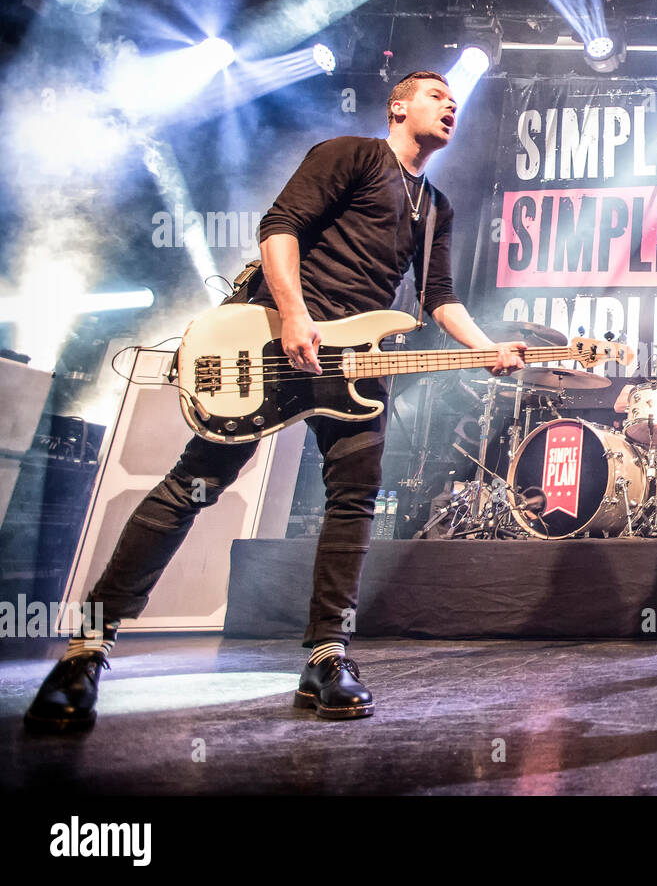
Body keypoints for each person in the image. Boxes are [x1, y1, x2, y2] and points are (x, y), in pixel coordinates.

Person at [25, 71, 526, 730]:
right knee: (192, 484)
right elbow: (280, 226)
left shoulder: (436, 208)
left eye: (454, 99)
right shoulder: (349, 153)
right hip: (278, 342)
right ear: (397, 106)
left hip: (356, 364)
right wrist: (292, 313)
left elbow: (438, 298)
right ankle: (85, 652)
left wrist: (485, 348)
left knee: (352, 501)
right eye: (436, 94)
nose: (450, 103)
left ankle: (327, 657)